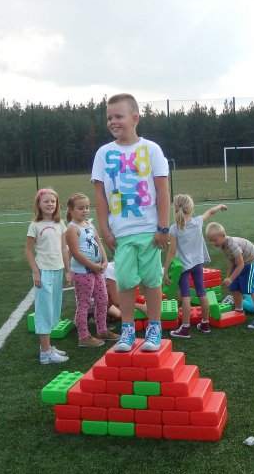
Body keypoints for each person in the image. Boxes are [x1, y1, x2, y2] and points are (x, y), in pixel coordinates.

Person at [92, 93, 170, 352]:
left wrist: (163, 227)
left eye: (119, 116)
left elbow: (162, 191)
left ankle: (154, 328)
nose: (113, 122)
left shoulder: (152, 149)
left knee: (151, 281)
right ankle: (127, 330)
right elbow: (100, 196)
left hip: (149, 230)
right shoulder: (103, 154)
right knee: (125, 281)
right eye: (109, 118)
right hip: (121, 233)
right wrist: (104, 230)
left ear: (135, 118)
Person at [162, 195, 227, 338]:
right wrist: (220, 206)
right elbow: (210, 212)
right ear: (191, 208)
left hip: (183, 267)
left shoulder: (174, 229)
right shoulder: (197, 222)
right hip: (198, 263)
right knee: (201, 293)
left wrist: (165, 271)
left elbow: (171, 252)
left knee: (185, 296)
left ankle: (185, 328)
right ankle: (205, 324)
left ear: (175, 209)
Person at [65, 193, 119, 348]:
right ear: (71, 210)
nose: (85, 210)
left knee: (102, 300)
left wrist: (104, 260)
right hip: (83, 272)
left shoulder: (89, 224)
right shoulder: (72, 229)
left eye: (87, 207)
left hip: (97, 270)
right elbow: (75, 253)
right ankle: (84, 337)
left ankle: (102, 330)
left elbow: (98, 243)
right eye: (80, 208)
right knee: (84, 304)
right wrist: (92, 266)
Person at [25, 188, 70, 364]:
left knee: (53, 309)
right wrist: (36, 271)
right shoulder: (34, 225)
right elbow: (28, 250)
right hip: (43, 272)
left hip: (58, 270)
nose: (50, 204)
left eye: (53, 201)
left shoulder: (60, 224)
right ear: (39, 204)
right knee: (44, 311)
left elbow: (64, 249)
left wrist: (67, 270)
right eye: (46, 201)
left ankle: (48, 347)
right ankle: (45, 353)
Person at [205, 222, 254, 329]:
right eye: (211, 241)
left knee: (253, 289)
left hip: (252, 261)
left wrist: (231, 278)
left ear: (223, 235)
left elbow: (240, 264)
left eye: (215, 240)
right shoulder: (223, 245)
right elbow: (232, 261)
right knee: (234, 286)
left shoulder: (231, 244)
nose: (213, 243)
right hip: (242, 263)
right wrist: (229, 277)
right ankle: (239, 311)